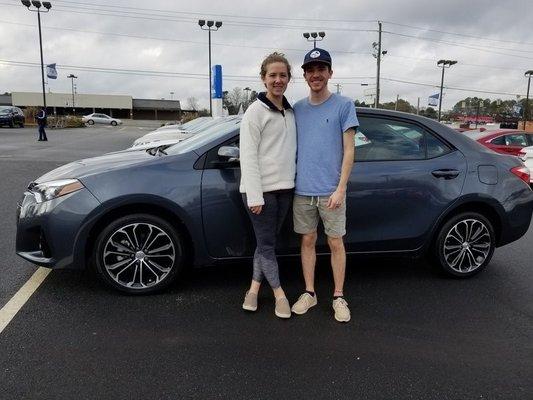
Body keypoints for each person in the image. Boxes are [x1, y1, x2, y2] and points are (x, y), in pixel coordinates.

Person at [290, 48, 358, 323]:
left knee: (335, 242)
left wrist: (341, 188)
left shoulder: (344, 105)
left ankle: (338, 296)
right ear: (305, 75)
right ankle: (310, 292)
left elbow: (350, 150)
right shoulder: (297, 109)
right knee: (307, 241)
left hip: (331, 191)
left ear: (330, 73)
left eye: (321, 69)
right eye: (310, 70)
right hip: (302, 191)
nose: (316, 74)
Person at [239, 52, 296, 319]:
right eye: (272, 75)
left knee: (266, 244)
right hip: (260, 193)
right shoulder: (254, 112)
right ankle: (279, 294)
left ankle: (252, 289)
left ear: (288, 79)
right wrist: (255, 196)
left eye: (282, 75)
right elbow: (247, 156)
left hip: (285, 190)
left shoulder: (291, 111)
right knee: (267, 245)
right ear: (263, 78)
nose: (277, 80)